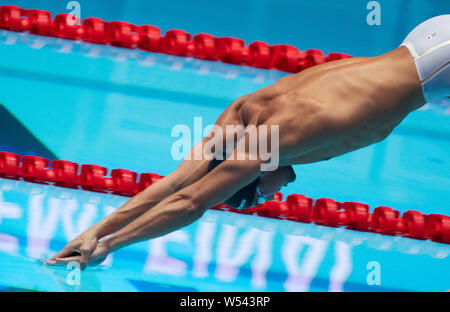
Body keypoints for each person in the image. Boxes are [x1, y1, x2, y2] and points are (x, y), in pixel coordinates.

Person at [45, 15, 450, 267]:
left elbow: (189, 200)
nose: (281, 192)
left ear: (251, 176)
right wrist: (91, 232)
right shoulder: (244, 111)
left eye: (262, 196)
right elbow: (176, 181)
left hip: (437, 68)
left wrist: (107, 246)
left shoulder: (271, 143)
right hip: (424, 39)